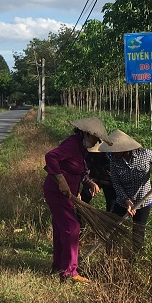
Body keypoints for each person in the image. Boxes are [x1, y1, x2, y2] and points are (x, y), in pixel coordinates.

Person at [42, 117, 108, 283]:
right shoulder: (72, 144)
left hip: (66, 193)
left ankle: (58, 266)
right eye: (96, 138)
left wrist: (89, 182)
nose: (97, 142)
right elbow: (51, 157)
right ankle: (70, 272)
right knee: (72, 227)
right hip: (56, 191)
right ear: (86, 133)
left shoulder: (81, 148)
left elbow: (79, 170)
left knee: (61, 227)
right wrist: (60, 178)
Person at [99, 129, 152, 250]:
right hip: (123, 201)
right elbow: (116, 183)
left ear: (124, 149)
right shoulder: (114, 161)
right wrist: (126, 200)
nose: (113, 153)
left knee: (138, 232)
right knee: (112, 227)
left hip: (143, 201)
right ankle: (111, 253)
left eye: (115, 150)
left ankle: (136, 258)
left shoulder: (144, 154)